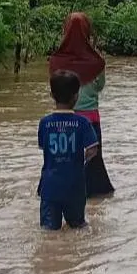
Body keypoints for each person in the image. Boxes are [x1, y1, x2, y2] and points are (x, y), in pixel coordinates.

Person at [47, 12, 115, 198]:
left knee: (62, 159)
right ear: (87, 32)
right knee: (92, 162)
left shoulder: (55, 61)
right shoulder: (97, 62)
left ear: (66, 31)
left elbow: (54, 88)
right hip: (91, 121)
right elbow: (99, 87)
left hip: (63, 120)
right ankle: (94, 200)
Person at [37, 70, 100, 230]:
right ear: (76, 96)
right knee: (79, 227)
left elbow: (44, 147)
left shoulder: (44, 123)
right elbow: (93, 150)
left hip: (50, 187)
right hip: (75, 186)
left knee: (48, 232)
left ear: (52, 95)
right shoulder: (83, 122)